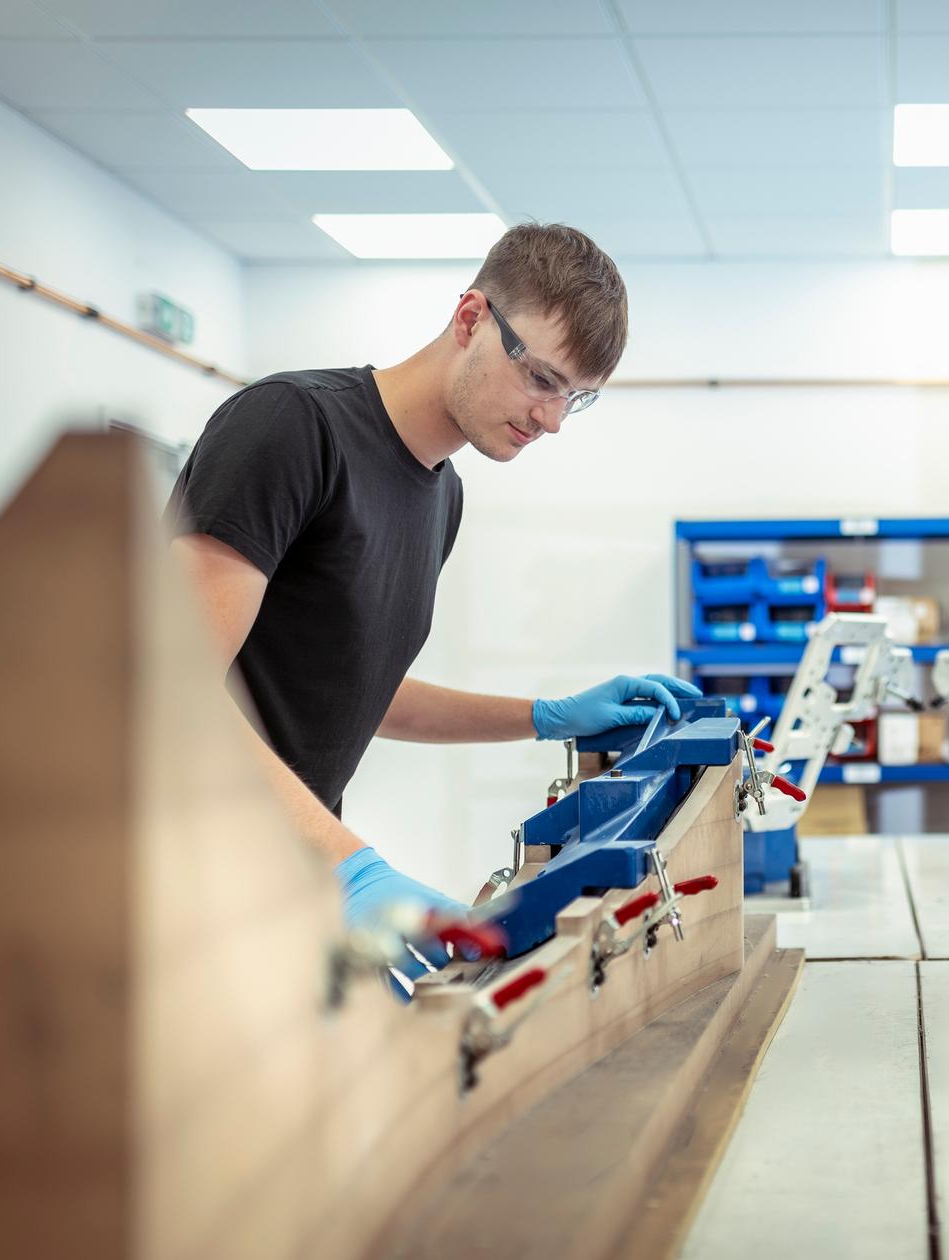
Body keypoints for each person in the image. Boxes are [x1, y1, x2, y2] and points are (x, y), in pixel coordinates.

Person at [166, 223, 697, 979]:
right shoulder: (292, 426)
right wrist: (353, 869)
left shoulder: (440, 498)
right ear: (471, 318)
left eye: (574, 399)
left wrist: (544, 718)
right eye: (541, 379)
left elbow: (352, 691)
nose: (550, 420)